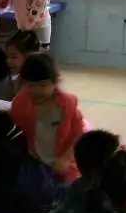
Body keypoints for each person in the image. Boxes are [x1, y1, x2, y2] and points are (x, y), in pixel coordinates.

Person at [9, 53, 86, 183]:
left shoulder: (66, 105)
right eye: (30, 85)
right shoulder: (20, 104)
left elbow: (78, 133)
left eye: (43, 85)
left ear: (56, 82)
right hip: (35, 162)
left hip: (63, 162)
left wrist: (65, 158)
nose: (36, 91)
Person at [0, 30, 40, 102]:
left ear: (28, 57)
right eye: (7, 57)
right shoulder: (16, 78)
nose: (8, 61)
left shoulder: (34, 83)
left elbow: (17, 105)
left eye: (13, 57)